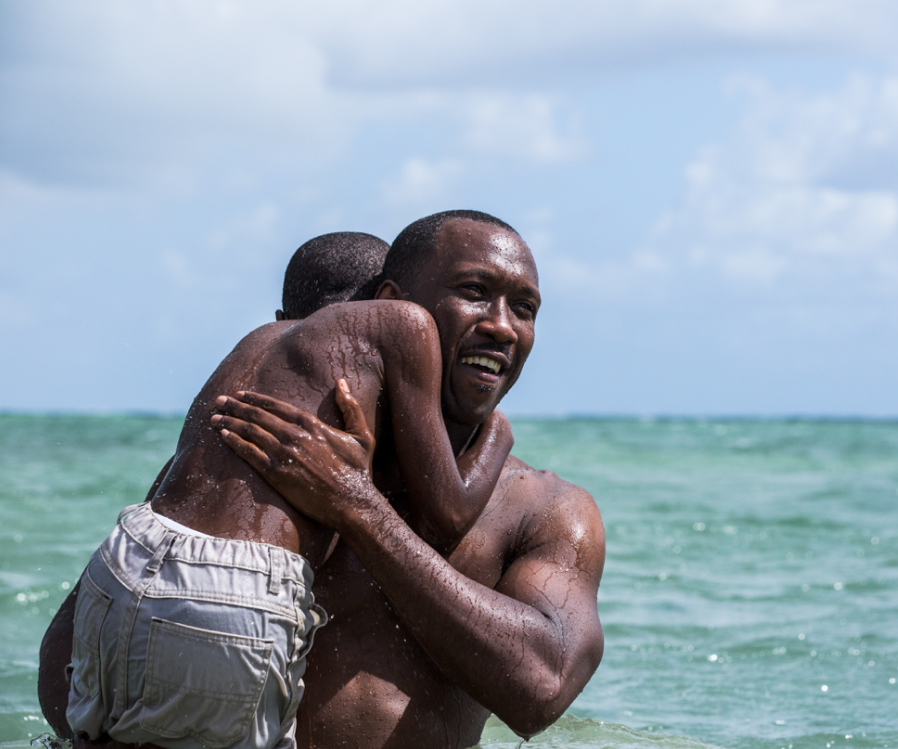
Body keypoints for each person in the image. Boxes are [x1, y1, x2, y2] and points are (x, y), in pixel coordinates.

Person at [41, 211, 607, 749]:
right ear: (397, 306)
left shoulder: (544, 509)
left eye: (526, 308)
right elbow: (72, 665)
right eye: (473, 292)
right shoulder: (269, 448)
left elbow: (541, 687)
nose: (501, 326)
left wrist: (357, 509)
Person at [37, 229, 394, 741]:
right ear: (389, 314)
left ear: (280, 328)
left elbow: (68, 662)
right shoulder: (361, 423)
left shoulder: (219, 425)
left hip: (120, 578)